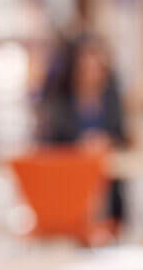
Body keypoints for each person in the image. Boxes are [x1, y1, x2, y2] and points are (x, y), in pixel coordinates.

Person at [39, 34, 128, 227]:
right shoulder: (59, 102)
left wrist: (107, 141)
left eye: (97, 68)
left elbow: (121, 136)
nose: (92, 73)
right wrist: (79, 146)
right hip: (69, 179)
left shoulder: (111, 97)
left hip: (106, 179)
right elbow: (48, 147)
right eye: (86, 68)